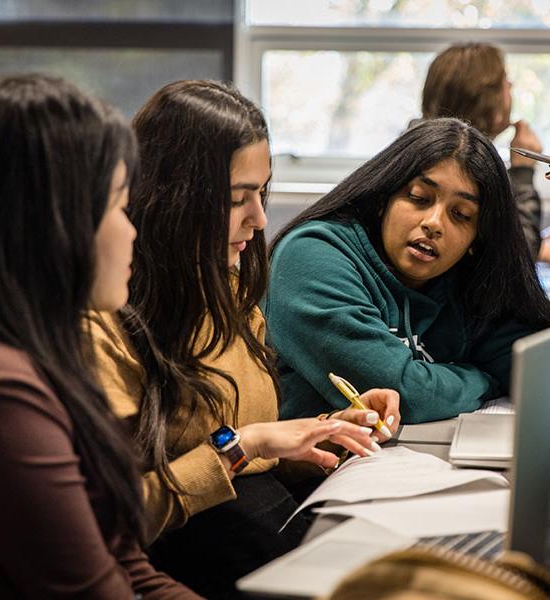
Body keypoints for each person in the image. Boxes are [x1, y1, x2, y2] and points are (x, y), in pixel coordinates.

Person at [87, 80, 400, 599]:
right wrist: (240, 447)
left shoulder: (227, 286)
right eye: (238, 199)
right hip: (185, 559)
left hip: (261, 532)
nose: (258, 219)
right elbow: (114, 517)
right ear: (174, 197)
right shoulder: (109, 323)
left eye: (262, 192)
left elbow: (257, 452)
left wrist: (319, 439)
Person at [0, 74, 198, 598]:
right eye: (116, 207)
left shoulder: (38, 354)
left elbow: (129, 566)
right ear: (52, 222)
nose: (131, 231)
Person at [266, 118, 550, 424]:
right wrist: (482, 378)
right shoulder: (313, 256)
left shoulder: (464, 284)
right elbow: (400, 393)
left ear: (476, 237)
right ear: (382, 200)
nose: (434, 223)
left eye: (461, 215)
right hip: (300, 490)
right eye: (420, 198)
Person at [420, 42, 545, 259]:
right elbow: (517, 259)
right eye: (505, 82)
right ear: (490, 101)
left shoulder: (419, 146)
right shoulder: (458, 164)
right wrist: (523, 173)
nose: (511, 87)